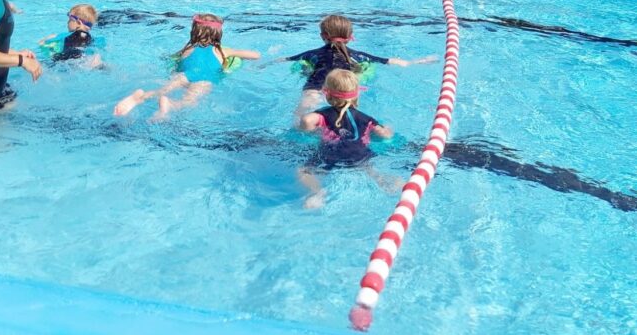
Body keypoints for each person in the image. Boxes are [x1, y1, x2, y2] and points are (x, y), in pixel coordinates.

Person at [283, 14, 436, 118]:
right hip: (345, 90)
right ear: (350, 38)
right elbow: (392, 62)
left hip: (314, 89)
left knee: (301, 121)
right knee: (349, 119)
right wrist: (416, 62)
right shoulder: (359, 56)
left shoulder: (312, 54)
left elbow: (285, 59)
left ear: (323, 36)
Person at [114, 13, 260, 119]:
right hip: (203, 80)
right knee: (188, 102)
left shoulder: (186, 49)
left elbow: (171, 60)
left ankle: (140, 96)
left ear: (194, 32)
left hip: (183, 75)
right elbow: (255, 55)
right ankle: (169, 105)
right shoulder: (222, 50)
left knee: (162, 90)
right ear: (217, 34)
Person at [296, 68, 394, 208]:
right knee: (371, 170)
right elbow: (385, 135)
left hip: (330, 155)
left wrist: (305, 127)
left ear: (327, 95)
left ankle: (317, 193)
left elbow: (306, 121)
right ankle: (386, 182)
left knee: (303, 171)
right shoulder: (366, 118)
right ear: (357, 95)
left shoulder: (323, 115)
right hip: (360, 155)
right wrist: (389, 129)